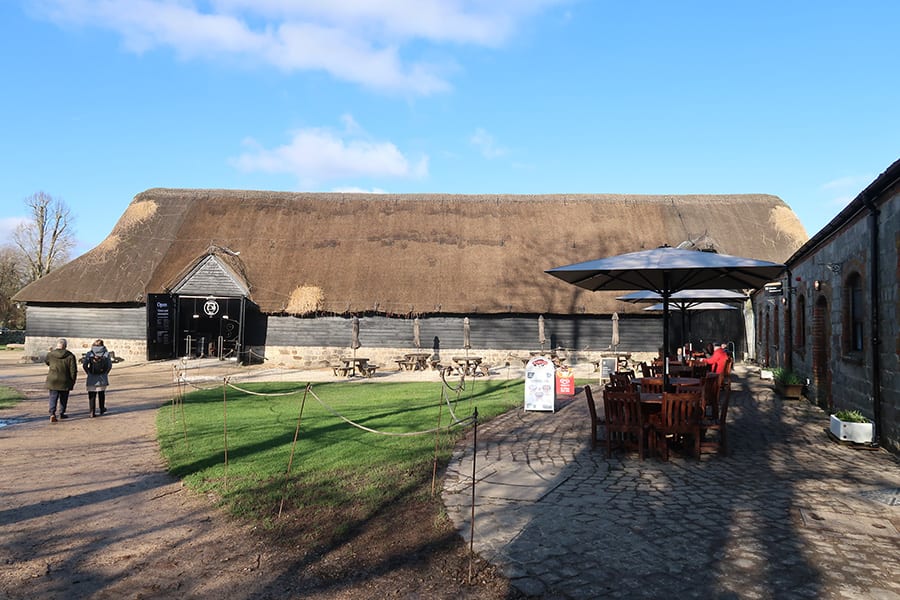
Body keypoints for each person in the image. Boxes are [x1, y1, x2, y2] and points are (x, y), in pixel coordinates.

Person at [45, 338, 78, 422]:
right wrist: (73, 381)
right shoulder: (70, 356)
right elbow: (73, 370)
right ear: (65, 346)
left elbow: (47, 362)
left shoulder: (51, 354)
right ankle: (61, 413)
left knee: (53, 397)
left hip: (53, 379)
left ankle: (52, 413)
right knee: (64, 397)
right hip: (65, 379)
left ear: (57, 345)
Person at [83, 339, 113, 417]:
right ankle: (101, 408)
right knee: (101, 393)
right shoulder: (106, 353)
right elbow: (109, 365)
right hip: (102, 377)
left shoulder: (89, 354)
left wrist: (89, 373)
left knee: (91, 394)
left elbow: (84, 365)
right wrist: (105, 373)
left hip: (91, 377)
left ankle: (92, 411)